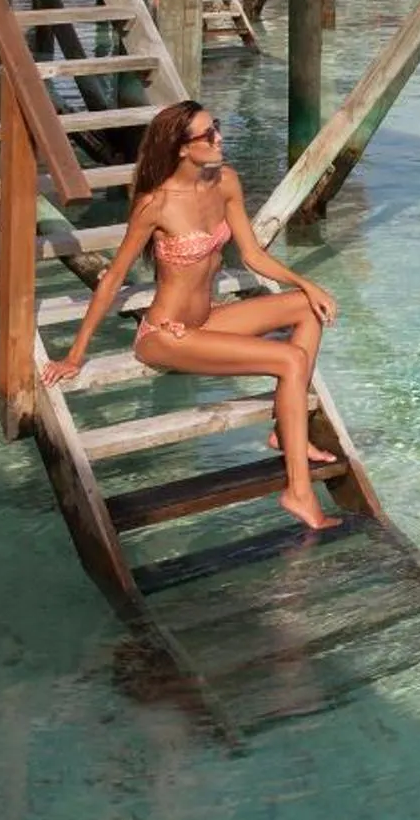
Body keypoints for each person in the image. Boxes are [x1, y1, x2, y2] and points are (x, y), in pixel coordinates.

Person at [40, 99, 347, 530]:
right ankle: (298, 493)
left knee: (307, 308)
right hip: (164, 336)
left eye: (216, 127)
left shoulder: (225, 182)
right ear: (182, 148)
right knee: (290, 360)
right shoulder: (156, 204)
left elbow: (254, 255)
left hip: (207, 318)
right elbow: (112, 281)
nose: (219, 138)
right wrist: (74, 355)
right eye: (208, 135)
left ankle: (286, 428)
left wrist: (307, 283)